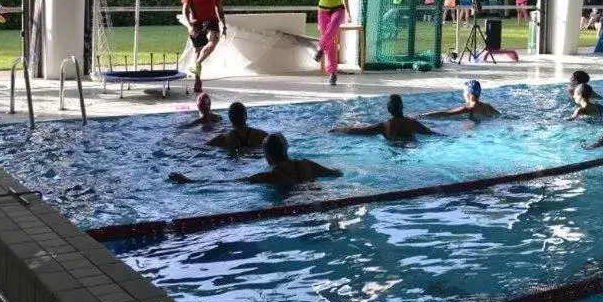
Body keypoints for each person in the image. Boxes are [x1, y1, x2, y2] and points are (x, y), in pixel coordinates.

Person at [169, 133, 341, 186]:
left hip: (294, 211)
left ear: (267, 157)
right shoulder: (308, 164)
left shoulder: (270, 176)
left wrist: (189, 181)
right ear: (286, 149)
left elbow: (229, 183)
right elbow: (336, 174)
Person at [288, 0, 349, 86]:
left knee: (333, 27)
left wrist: (348, 12)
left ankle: (320, 48)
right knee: (330, 42)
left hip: (338, 9)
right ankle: (333, 73)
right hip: (323, 10)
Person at [180, 0, 226, 93]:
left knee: (214, 40)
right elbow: (185, 9)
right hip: (196, 23)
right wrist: (189, 26)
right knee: (198, 51)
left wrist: (224, 25)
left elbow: (219, 8)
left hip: (211, 21)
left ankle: (196, 64)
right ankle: (197, 81)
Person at [331, 94, 437, 141]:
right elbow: (432, 133)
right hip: (412, 149)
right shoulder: (413, 123)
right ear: (402, 107)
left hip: (394, 152)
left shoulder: (385, 126)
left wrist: (337, 129)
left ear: (389, 109)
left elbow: (358, 131)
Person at [423, 80, 501, 120]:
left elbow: (445, 114)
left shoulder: (468, 109)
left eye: (464, 92)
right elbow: (501, 116)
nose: (463, 94)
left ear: (468, 94)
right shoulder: (488, 107)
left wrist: (421, 116)